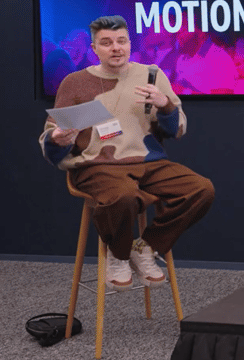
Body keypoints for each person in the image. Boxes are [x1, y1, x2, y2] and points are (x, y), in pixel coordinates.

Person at [39, 16, 214, 291]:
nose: (116, 48)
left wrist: (165, 105)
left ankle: (145, 247)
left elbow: (177, 129)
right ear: (94, 49)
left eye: (121, 41)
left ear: (130, 43)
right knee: (123, 196)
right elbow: (50, 140)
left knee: (201, 189)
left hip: (147, 161)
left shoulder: (151, 75)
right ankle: (118, 255)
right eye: (106, 43)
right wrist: (58, 138)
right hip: (97, 165)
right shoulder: (74, 83)